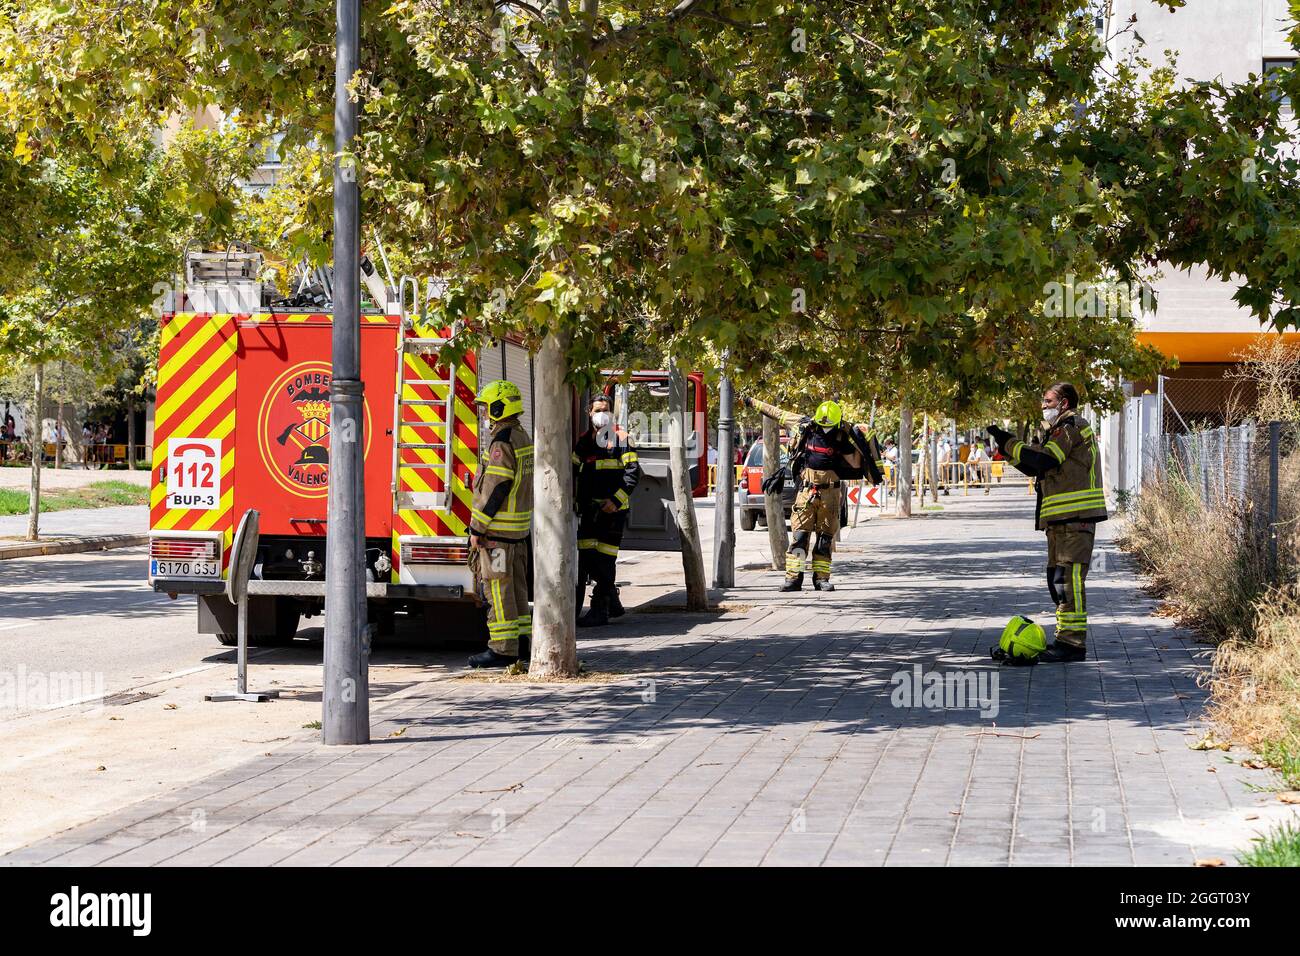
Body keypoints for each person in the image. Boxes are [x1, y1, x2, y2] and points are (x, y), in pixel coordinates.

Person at [988, 382, 1107, 663]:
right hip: (1060, 522)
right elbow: (1033, 465)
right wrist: (1006, 449)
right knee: (1057, 582)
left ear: (1064, 403)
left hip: (1076, 521)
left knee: (1069, 581)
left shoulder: (1072, 427)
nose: (1044, 405)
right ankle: (1064, 638)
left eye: (1048, 400)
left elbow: (1043, 459)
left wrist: (1008, 442)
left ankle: (1073, 644)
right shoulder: (1057, 431)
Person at [741, 395, 884, 592]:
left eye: (829, 427)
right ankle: (793, 580)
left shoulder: (842, 435)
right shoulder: (804, 425)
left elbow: (855, 464)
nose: (826, 430)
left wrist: (863, 441)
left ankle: (821, 579)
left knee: (825, 539)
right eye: (822, 425)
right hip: (806, 491)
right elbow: (777, 413)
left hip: (830, 493)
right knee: (799, 536)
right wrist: (752, 402)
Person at [467, 379, 534, 668]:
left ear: (499, 407)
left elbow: (496, 487)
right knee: (517, 592)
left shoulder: (502, 442)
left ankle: (502, 649)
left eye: (486, 408)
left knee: (498, 591)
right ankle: (522, 645)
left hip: (497, 534)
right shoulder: (521, 436)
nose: (484, 414)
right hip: (517, 533)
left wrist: (478, 528)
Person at [572, 394, 641, 627]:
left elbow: (632, 474)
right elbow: (572, 470)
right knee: (588, 560)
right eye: (599, 409)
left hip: (613, 511)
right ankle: (612, 600)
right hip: (589, 511)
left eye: (607, 410)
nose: (603, 414)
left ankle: (600, 609)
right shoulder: (584, 442)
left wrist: (615, 501)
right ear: (589, 413)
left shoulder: (621, 439)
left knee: (604, 560)